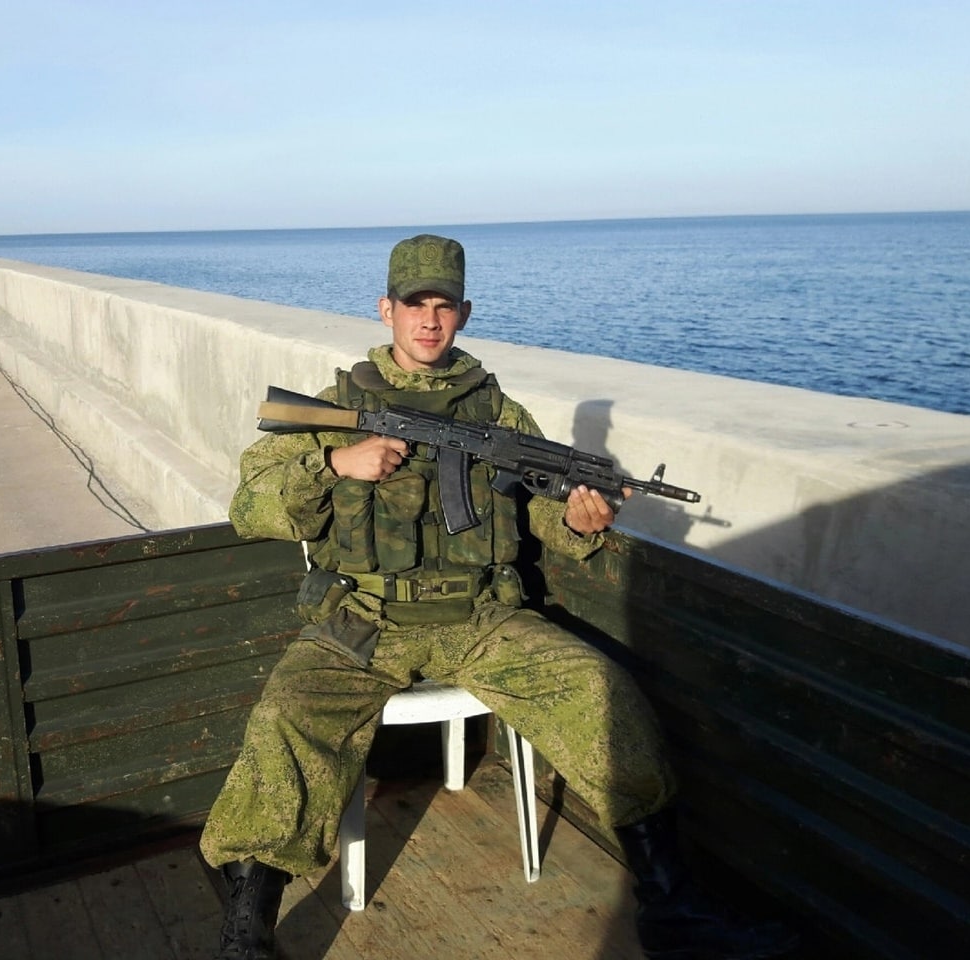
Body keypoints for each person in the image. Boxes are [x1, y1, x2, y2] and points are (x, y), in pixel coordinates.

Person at [199, 234, 798, 960]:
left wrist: (577, 521)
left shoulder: (498, 413)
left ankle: (674, 906)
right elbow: (251, 506)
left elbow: (539, 507)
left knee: (600, 691)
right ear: (386, 310)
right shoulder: (335, 408)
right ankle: (248, 931)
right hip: (363, 618)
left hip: (481, 618)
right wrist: (333, 462)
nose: (429, 320)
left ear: (465, 313)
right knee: (287, 717)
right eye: (414, 304)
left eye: (444, 306)